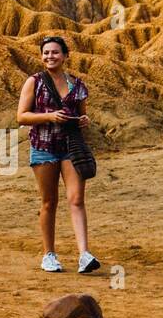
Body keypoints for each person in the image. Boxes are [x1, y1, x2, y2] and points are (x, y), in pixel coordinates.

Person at [16, 36, 101, 274]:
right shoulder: (35, 82)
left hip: (70, 147)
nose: (49, 57)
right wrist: (49, 116)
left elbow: (81, 115)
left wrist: (83, 120)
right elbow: (21, 116)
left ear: (65, 56)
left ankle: (84, 254)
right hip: (43, 147)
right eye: (46, 53)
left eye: (54, 52)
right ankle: (49, 255)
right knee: (49, 202)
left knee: (76, 200)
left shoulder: (77, 85)